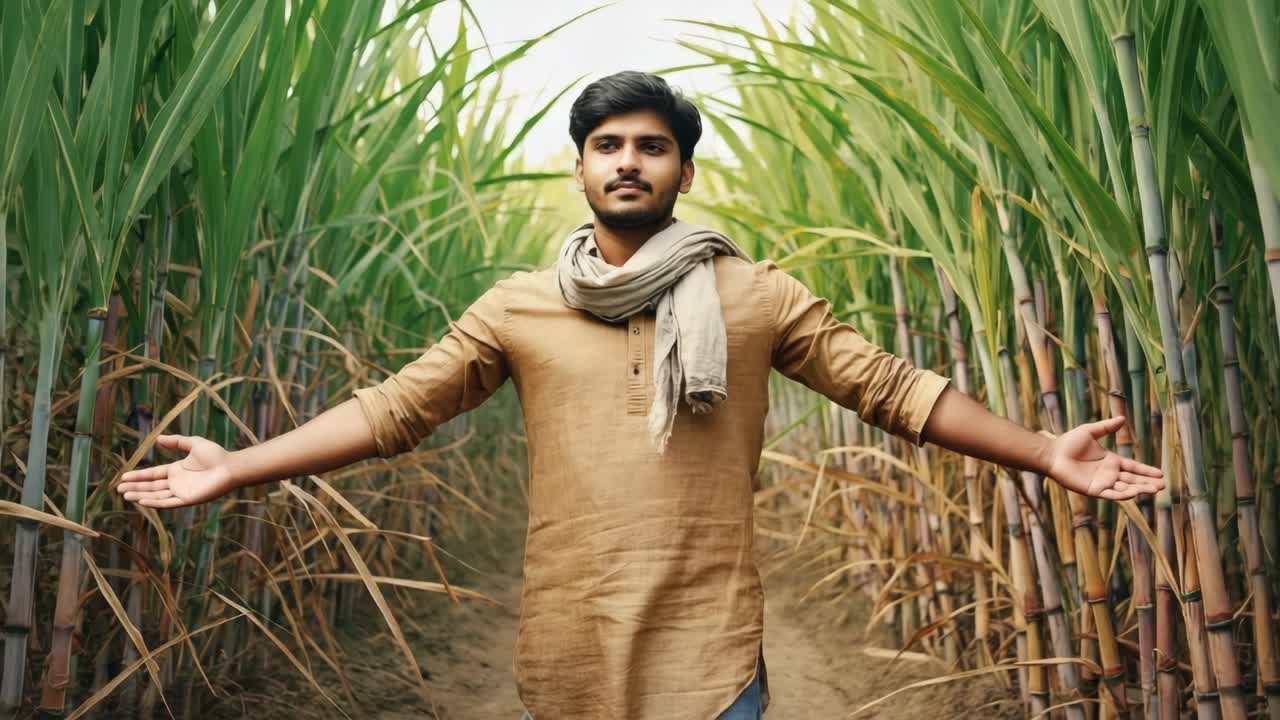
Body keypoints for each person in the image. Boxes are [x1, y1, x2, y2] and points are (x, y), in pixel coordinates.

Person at [116, 70, 1165, 719]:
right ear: (579, 168)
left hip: (710, 637)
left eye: (651, 147)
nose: (629, 163)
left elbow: (890, 389)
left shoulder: (753, 295)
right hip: (568, 635)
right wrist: (237, 466)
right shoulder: (519, 307)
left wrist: (1042, 450)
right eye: (608, 146)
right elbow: (395, 410)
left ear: (683, 173)